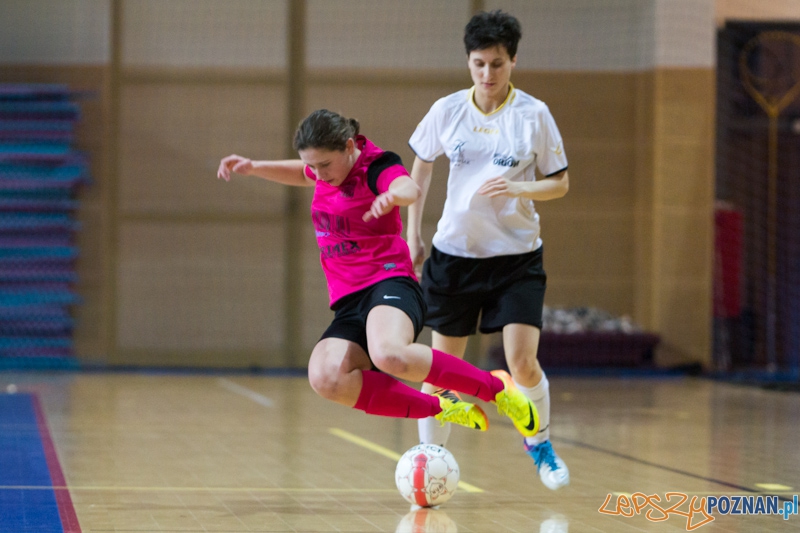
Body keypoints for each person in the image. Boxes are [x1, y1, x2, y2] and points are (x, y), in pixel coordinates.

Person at [217, 109, 539, 439]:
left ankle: (496, 387)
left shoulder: (376, 165)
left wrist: (392, 195)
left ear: (347, 146)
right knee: (326, 378)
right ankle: (441, 408)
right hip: (349, 298)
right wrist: (255, 168)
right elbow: (302, 173)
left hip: (389, 282)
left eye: (324, 165)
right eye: (312, 165)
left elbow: (407, 187)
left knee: (388, 353)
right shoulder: (324, 171)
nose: (318, 174)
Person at [407, 11, 570, 490]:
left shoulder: (533, 115)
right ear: (469, 61)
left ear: (513, 60)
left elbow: (560, 184)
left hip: (516, 258)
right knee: (440, 370)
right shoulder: (448, 109)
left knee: (522, 362)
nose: (487, 75)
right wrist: (413, 232)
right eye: (479, 64)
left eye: (497, 64)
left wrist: (521, 189)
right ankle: (430, 462)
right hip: (454, 257)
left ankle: (539, 444)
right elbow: (420, 168)